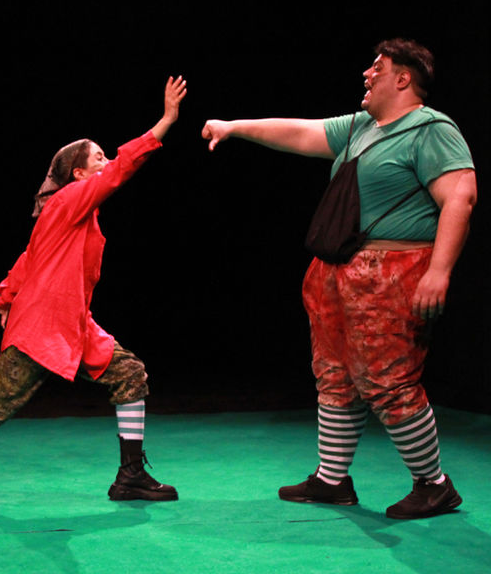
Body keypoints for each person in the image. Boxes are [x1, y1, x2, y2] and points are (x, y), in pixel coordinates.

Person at [201, 39, 477, 520]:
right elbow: (299, 132)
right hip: (337, 270)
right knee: (335, 377)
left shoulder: (431, 128)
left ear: (403, 78)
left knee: (389, 381)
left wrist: (439, 271)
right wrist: (234, 127)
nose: (367, 74)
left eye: (378, 67)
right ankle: (332, 480)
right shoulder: (360, 127)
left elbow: (461, 197)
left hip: (392, 272)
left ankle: (434, 485)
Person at [0, 75, 187, 501]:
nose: (107, 161)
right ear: (79, 174)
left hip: (73, 324)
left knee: (129, 373)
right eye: (99, 157)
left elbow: (28, 259)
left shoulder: (70, 215)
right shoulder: (69, 201)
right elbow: (121, 170)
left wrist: (1, 298)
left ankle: (130, 475)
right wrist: (165, 121)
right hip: (40, 330)